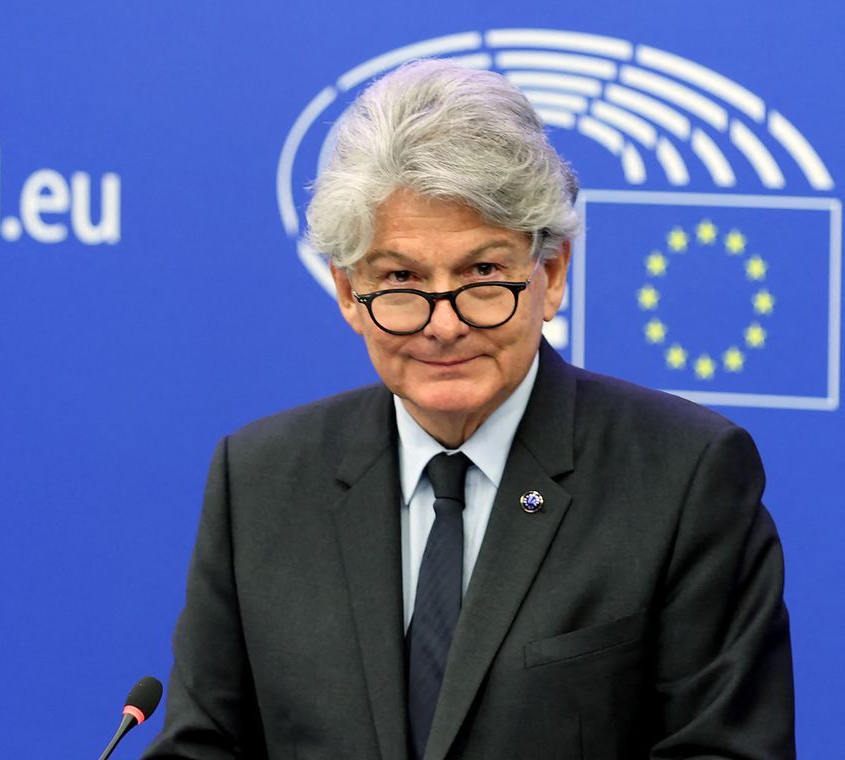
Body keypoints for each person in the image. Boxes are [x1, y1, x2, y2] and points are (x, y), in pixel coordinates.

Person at [144, 60, 794, 760]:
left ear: (551, 276)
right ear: (346, 292)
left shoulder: (684, 477)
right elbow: (202, 745)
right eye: (401, 279)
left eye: (483, 274)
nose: (443, 323)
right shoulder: (260, 480)